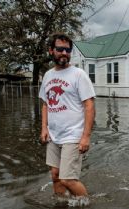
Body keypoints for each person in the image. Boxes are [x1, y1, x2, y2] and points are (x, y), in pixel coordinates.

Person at [39, 33, 95, 197]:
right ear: (51, 51)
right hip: (54, 136)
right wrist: (44, 128)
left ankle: (85, 204)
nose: (64, 53)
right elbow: (45, 104)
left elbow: (89, 106)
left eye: (67, 50)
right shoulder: (48, 75)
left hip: (73, 135)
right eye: (60, 49)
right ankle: (62, 207)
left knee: (68, 179)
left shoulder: (78, 74)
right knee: (56, 176)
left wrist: (86, 136)